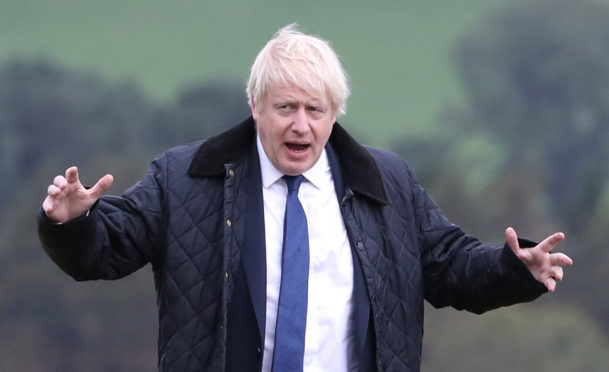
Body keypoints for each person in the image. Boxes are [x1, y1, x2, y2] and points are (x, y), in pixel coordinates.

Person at [38, 24, 573, 372]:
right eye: (286, 107)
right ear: (255, 105)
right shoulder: (185, 177)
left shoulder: (386, 182)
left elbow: (450, 265)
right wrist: (73, 223)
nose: (300, 126)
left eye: (314, 111)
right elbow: (108, 251)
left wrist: (515, 269)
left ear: (334, 114)